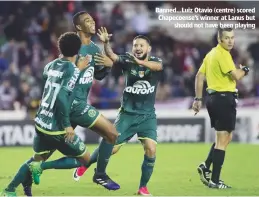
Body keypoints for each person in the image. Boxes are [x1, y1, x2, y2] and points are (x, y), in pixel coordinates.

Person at [20, 11, 120, 196]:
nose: (92, 22)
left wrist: (107, 65)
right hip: (73, 105)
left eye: (92, 19)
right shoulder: (72, 47)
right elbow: (56, 72)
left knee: (41, 156)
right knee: (112, 134)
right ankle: (100, 174)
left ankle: (25, 182)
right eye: (87, 21)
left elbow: (97, 74)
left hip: (77, 105)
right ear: (79, 27)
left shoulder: (94, 49)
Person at [73, 27, 163, 196]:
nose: (137, 48)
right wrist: (106, 43)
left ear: (148, 48)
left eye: (141, 45)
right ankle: (86, 164)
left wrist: (140, 63)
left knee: (151, 149)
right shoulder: (127, 60)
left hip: (147, 116)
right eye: (135, 45)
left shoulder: (154, 61)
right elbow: (112, 56)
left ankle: (142, 187)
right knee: (112, 148)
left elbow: (157, 67)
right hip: (127, 115)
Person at [1, 32, 90, 197]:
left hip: (41, 121)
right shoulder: (72, 69)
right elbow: (62, 97)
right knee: (85, 159)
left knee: (36, 158)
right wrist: (67, 125)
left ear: (59, 48)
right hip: (56, 127)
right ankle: (42, 168)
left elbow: (47, 78)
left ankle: (10, 189)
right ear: (77, 51)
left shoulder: (50, 65)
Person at [192, 28, 250, 189]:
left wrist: (198, 98)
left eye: (232, 37)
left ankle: (206, 166)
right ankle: (215, 180)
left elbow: (199, 76)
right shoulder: (223, 54)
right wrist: (245, 70)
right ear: (219, 39)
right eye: (226, 38)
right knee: (223, 140)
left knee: (224, 138)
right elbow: (236, 76)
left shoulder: (211, 54)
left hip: (213, 99)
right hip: (224, 98)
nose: (230, 41)